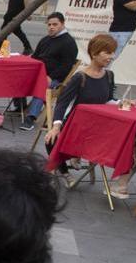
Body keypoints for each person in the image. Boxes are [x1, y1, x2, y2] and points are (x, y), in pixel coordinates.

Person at [45, 34, 117, 184]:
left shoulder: (109, 75)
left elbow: (109, 100)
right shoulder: (80, 77)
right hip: (76, 124)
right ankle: (64, 172)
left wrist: (129, 102)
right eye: (108, 52)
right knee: (50, 140)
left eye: (113, 52)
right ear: (95, 53)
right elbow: (62, 103)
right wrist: (56, 126)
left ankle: (74, 156)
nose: (112, 56)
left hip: (97, 126)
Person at [20, 12, 80, 131]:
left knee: (43, 84)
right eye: (49, 24)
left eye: (55, 24)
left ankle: (31, 118)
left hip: (55, 78)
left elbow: (66, 66)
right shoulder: (46, 39)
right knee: (19, 76)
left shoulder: (69, 43)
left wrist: (51, 77)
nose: (51, 27)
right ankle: (20, 107)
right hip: (39, 73)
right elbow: (35, 57)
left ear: (62, 24)